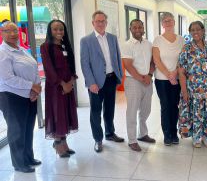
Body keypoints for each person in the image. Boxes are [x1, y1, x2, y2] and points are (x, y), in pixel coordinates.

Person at [0, 21, 42, 173]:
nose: (12, 34)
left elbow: (34, 68)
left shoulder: (23, 50)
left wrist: (36, 89)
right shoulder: (3, 53)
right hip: (12, 97)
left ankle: (28, 157)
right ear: (2, 33)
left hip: (29, 96)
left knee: (28, 128)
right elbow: (7, 78)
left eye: (14, 30)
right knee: (17, 130)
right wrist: (32, 86)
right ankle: (19, 163)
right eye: (8, 31)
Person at [80, 10, 124, 153]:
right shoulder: (86, 40)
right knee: (95, 111)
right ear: (93, 23)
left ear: (106, 23)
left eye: (103, 21)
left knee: (110, 109)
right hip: (96, 83)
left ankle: (110, 133)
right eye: (98, 21)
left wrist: (120, 76)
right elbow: (85, 63)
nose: (100, 23)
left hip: (111, 79)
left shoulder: (112, 38)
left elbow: (117, 57)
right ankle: (98, 139)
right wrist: (91, 82)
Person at [178, 21, 207, 148]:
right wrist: (184, 91)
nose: (195, 32)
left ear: (203, 31)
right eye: (192, 30)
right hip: (193, 87)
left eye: (198, 29)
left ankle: (206, 136)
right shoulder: (186, 48)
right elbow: (181, 72)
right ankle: (196, 137)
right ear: (190, 32)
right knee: (196, 111)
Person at [40, 19, 78, 157]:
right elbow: (48, 69)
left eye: (61, 29)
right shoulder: (45, 47)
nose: (58, 32)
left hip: (68, 85)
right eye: (55, 29)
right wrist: (63, 84)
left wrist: (72, 81)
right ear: (50, 31)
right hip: (56, 87)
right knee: (58, 114)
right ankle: (57, 142)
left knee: (66, 113)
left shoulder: (65, 45)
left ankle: (64, 142)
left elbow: (71, 65)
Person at [121, 19, 156, 152]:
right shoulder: (127, 45)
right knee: (132, 110)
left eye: (140, 27)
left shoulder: (149, 44)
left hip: (147, 80)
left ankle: (142, 134)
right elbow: (128, 65)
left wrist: (149, 75)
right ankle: (132, 140)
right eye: (134, 27)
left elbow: (153, 62)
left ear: (143, 29)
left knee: (146, 110)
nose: (137, 30)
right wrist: (142, 78)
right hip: (133, 81)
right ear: (130, 29)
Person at [153, 12, 184, 146]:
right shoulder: (158, 40)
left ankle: (174, 132)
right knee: (165, 106)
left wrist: (175, 73)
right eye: (165, 21)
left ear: (174, 22)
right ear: (162, 24)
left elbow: (182, 59)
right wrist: (169, 74)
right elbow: (156, 60)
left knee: (175, 106)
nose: (168, 23)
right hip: (161, 79)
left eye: (170, 20)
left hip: (177, 79)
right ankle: (167, 134)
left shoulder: (181, 39)